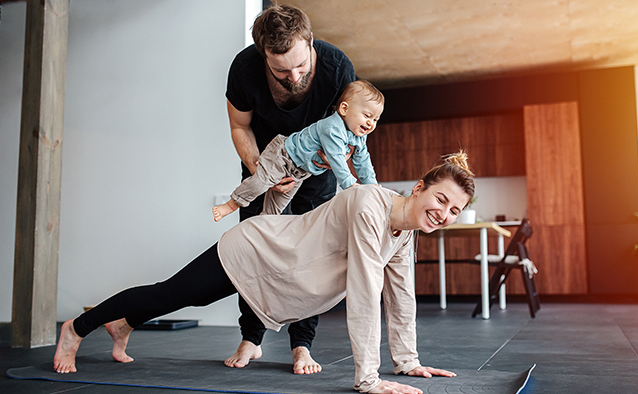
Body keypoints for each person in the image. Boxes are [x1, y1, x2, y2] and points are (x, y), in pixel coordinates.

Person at [53, 152, 476, 394]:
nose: (444, 214)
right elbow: (365, 291)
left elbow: (401, 298)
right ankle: (77, 327)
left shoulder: (403, 234)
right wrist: (368, 378)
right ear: (419, 187)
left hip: (283, 274)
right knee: (175, 294)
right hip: (258, 249)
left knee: (184, 296)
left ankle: (123, 324)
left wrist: (407, 362)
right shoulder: (370, 204)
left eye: (454, 210)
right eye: (441, 199)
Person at [225, 4, 356, 373]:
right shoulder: (244, 68)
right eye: (281, 70)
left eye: (301, 66)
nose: (293, 76)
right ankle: (251, 338)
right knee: (254, 253)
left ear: (310, 41)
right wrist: (260, 169)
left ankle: (302, 345)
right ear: (262, 54)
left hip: (317, 176)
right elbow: (240, 127)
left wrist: (315, 167)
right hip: (265, 170)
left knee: (310, 259)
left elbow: (350, 135)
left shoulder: (336, 67)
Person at [212, 80, 383, 221]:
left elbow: (363, 162)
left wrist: (372, 186)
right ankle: (231, 204)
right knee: (260, 182)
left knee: (278, 205)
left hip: (299, 171)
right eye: (367, 116)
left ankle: (262, 224)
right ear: (344, 109)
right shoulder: (332, 128)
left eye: (376, 119)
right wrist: (350, 185)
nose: (371, 124)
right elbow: (336, 159)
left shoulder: (358, 137)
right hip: (283, 155)